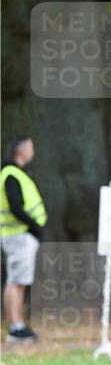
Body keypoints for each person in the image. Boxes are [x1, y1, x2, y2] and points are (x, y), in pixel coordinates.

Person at [1, 136, 47, 342]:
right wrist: (33, 226)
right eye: (31, 147)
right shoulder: (11, 174)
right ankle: (15, 325)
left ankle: (17, 323)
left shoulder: (14, 173)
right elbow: (15, 206)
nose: (33, 151)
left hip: (17, 235)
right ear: (21, 150)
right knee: (16, 282)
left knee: (17, 281)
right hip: (19, 235)